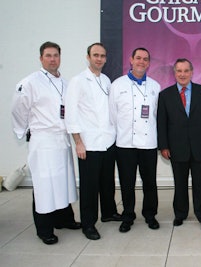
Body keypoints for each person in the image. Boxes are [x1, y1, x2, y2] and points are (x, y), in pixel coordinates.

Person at [11, 41, 81, 245]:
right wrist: (23, 130)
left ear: (60, 57)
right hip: (43, 140)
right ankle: (44, 228)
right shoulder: (30, 82)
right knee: (45, 186)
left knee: (63, 183)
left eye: (56, 55)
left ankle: (64, 219)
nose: (52, 59)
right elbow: (18, 108)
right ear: (41, 58)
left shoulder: (66, 83)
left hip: (62, 139)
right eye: (48, 55)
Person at [65, 43, 121, 240]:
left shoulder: (106, 80)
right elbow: (70, 114)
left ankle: (108, 213)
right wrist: (78, 142)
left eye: (102, 56)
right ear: (88, 57)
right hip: (88, 143)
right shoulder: (77, 81)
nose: (99, 59)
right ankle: (88, 223)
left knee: (107, 181)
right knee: (90, 186)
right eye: (95, 55)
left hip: (107, 140)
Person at [157, 58, 201, 232]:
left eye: (186, 71)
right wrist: (164, 146)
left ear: (192, 72)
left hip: (200, 147)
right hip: (176, 148)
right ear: (174, 73)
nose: (182, 74)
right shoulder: (165, 95)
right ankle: (180, 214)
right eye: (179, 71)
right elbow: (161, 123)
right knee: (180, 184)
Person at [109, 48, 160, 233]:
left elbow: (155, 115)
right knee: (127, 182)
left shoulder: (155, 86)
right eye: (138, 58)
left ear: (149, 63)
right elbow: (113, 115)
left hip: (148, 144)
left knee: (150, 182)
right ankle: (128, 215)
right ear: (131, 60)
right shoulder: (117, 85)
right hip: (125, 144)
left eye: (145, 59)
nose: (141, 62)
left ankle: (150, 215)